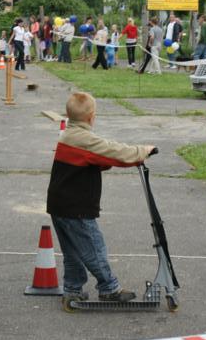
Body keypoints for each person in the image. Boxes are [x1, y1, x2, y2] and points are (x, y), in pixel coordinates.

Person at [47, 92, 155, 304]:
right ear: (91, 117)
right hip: (76, 206)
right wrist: (142, 151)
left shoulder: (70, 135)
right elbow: (113, 152)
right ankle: (109, 288)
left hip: (60, 204)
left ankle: (72, 289)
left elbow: (97, 159)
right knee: (93, 248)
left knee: (73, 251)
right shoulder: (84, 139)